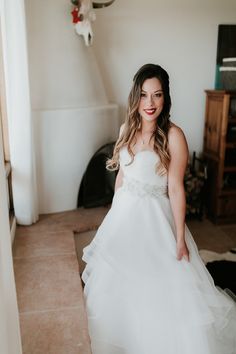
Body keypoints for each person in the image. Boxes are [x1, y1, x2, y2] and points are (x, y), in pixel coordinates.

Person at [81, 63, 236, 354]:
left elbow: (176, 189)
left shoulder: (174, 136)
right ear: (135, 97)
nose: (149, 103)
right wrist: (113, 216)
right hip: (124, 216)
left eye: (157, 95)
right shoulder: (126, 129)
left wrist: (179, 237)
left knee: (160, 286)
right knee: (118, 282)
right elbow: (123, 178)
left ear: (165, 98)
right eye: (143, 95)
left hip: (155, 219)